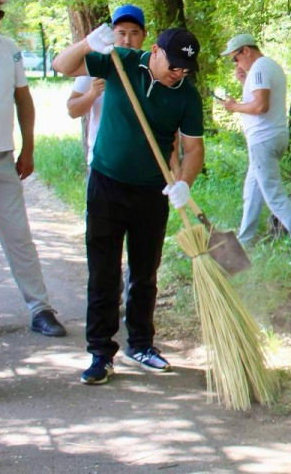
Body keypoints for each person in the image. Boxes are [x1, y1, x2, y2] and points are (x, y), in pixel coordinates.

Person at [52, 24, 206, 384]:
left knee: (144, 273)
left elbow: (193, 149)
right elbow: (62, 65)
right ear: (155, 52)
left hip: (151, 193)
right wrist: (88, 43)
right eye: (173, 66)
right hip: (106, 184)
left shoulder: (186, 96)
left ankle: (141, 344)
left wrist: (183, 182)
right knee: (103, 272)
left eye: (185, 69)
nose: (178, 74)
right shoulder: (119, 61)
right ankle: (100, 353)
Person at [0, 0, 66, 338]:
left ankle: (40, 309)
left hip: (2, 159)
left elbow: (23, 99)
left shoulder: (8, 49)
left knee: (19, 237)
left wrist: (29, 148)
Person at [219, 34, 291, 268]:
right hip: (271, 137)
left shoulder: (261, 67)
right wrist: (245, 82)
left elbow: (261, 106)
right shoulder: (266, 67)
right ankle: (243, 244)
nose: (236, 64)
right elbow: (262, 99)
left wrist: (233, 107)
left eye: (235, 58)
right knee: (252, 192)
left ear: (246, 51)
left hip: (263, 140)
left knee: (273, 196)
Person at [68, 5, 147, 164]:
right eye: (121, 33)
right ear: (112, 34)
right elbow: (72, 110)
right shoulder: (97, 64)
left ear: (144, 35)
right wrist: (92, 94)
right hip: (103, 162)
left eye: (134, 33)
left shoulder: (150, 67)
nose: (127, 40)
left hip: (142, 163)